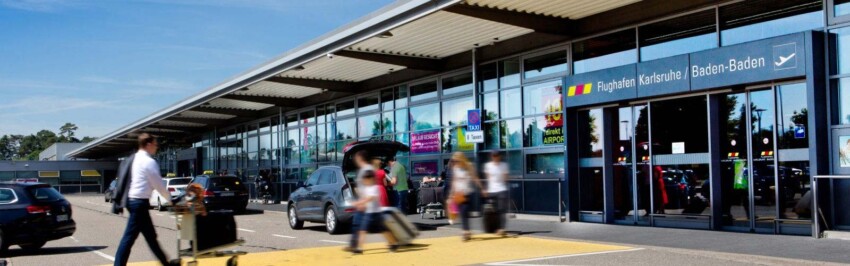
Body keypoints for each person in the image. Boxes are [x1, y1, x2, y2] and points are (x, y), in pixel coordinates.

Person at [114, 133, 177, 266]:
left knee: (150, 236)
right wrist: (170, 200)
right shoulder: (149, 162)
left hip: (132, 201)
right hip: (139, 203)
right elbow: (159, 185)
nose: (156, 147)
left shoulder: (134, 158)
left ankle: (165, 263)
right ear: (148, 144)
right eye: (155, 144)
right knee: (129, 238)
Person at [351, 169, 399, 254]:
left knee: (384, 230)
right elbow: (364, 197)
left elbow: (371, 198)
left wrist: (360, 202)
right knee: (362, 230)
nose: (364, 180)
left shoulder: (375, 188)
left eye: (366, 179)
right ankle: (359, 248)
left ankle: (394, 243)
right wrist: (360, 202)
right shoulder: (366, 188)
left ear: (371, 179)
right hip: (368, 213)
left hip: (377, 214)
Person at [447, 152, 485, 241]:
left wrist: (482, 188)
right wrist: (451, 193)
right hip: (458, 193)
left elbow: (475, 178)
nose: (455, 163)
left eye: (457, 161)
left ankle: (466, 231)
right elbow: (454, 181)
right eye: (454, 161)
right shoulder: (455, 168)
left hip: (467, 193)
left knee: (464, 211)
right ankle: (466, 231)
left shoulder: (469, 166)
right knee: (463, 212)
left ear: (461, 159)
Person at [345, 150, 373, 252]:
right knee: (357, 223)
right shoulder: (363, 170)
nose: (355, 160)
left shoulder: (368, 170)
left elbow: (369, 188)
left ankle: (357, 246)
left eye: (356, 158)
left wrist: (363, 202)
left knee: (362, 226)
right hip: (363, 201)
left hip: (367, 203)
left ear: (360, 158)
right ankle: (354, 244)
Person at [483, 151, 509, 237]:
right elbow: (488, 178)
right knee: (494, 210)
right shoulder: (488, 166)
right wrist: (486, 189)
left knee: (502, 210)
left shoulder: (504, 165)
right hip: (491, 190)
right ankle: (494, 227)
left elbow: (506, 178)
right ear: (491, 157)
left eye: (497, 155)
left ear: (499, 156)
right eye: (493, 156)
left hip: (502, 189)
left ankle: (502, 229)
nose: (495, 157)